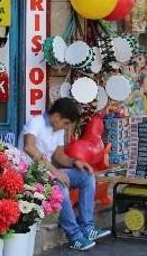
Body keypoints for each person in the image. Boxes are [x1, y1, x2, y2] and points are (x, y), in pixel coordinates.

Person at [20, 98, 110, 251]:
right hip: (31, 176)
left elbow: (59, 156)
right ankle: (74, 236)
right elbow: (29, 147)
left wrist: (76, 162)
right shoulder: (36, 123)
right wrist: (55, 172)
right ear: (56, 116)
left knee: (86, 176)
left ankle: (87, 228)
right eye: (66, 123)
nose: (66, 127)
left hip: (48, 172)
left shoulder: (58, 129)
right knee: (58, 186)